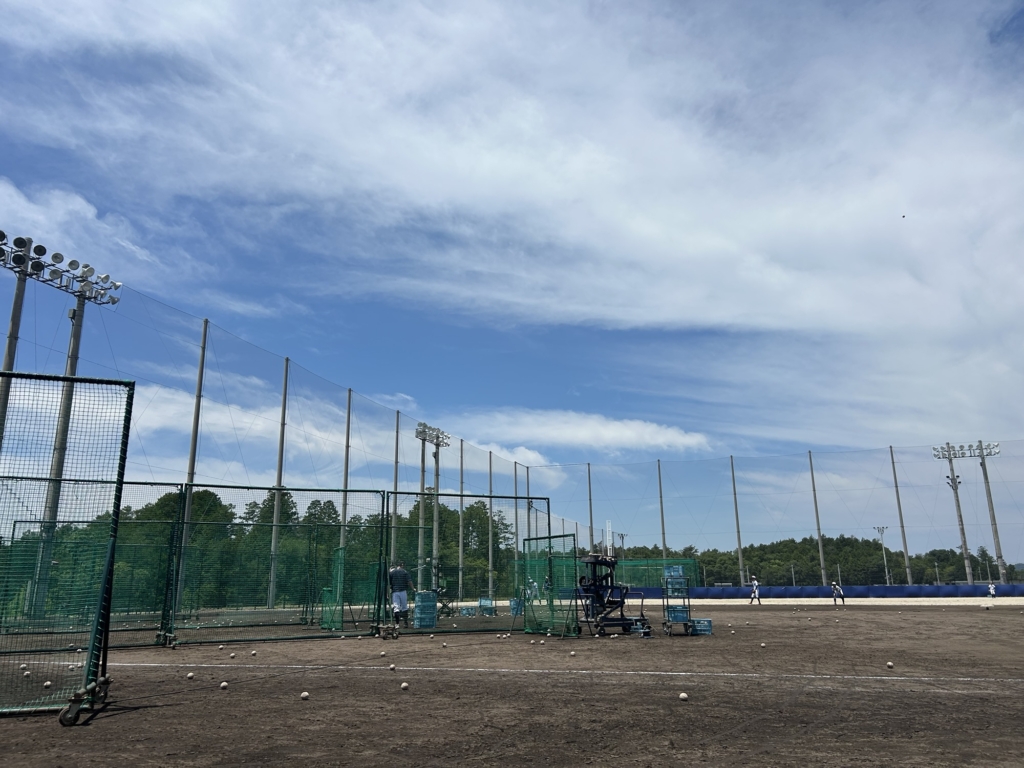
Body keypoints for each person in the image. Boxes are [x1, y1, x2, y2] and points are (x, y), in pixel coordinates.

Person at [389, 561, 412, 627]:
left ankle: (397, 624)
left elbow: (389, 583)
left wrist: (388, 592)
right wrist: (413, 588)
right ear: (402, 565)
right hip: (403, 591)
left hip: (395, 592)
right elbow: (409, 581)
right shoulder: (405, 572)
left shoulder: (392, 572)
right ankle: (405, 623)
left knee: (396, 607)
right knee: (404, 607)